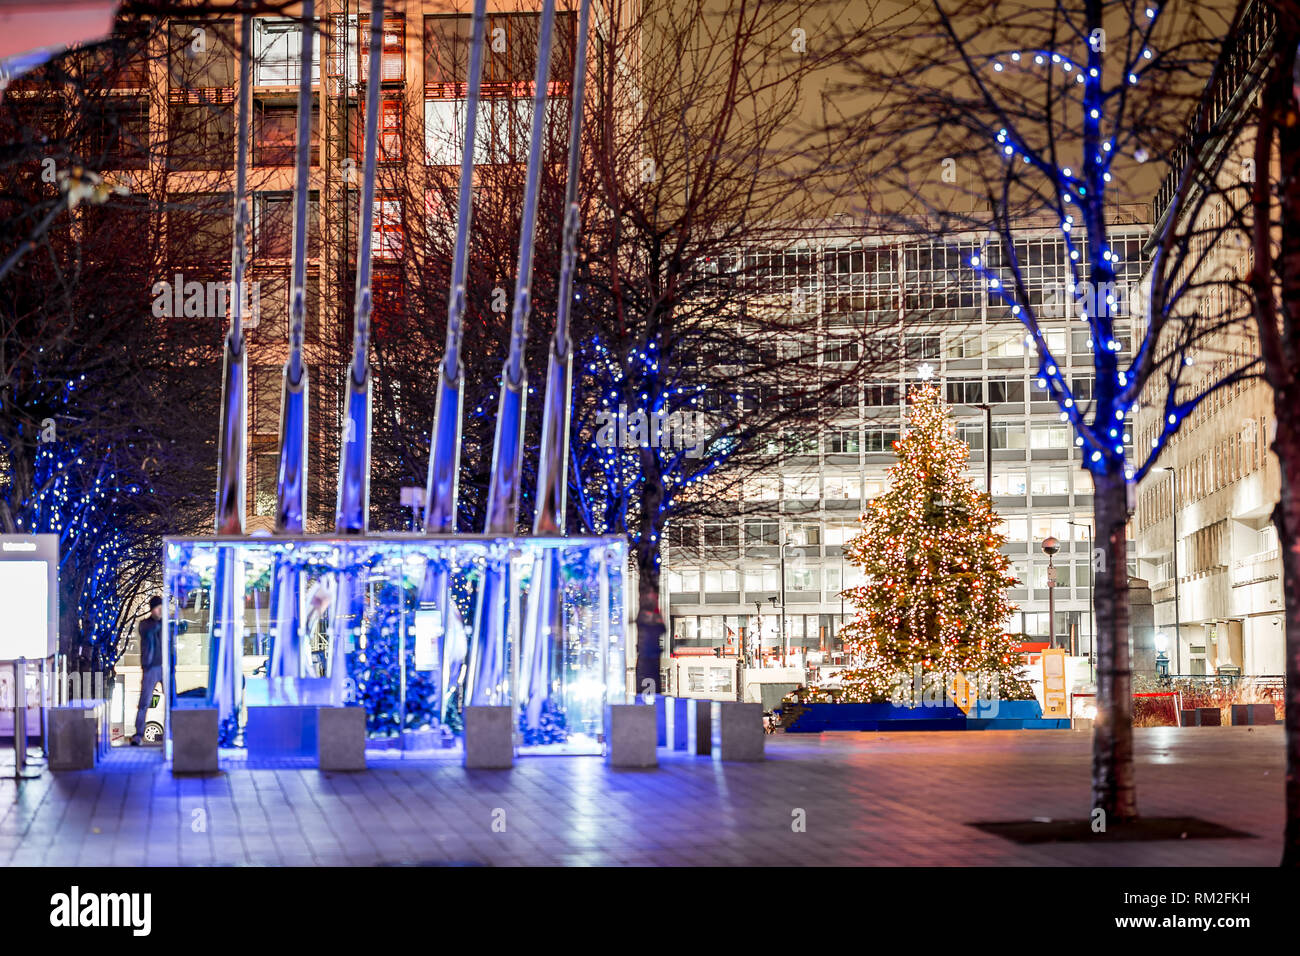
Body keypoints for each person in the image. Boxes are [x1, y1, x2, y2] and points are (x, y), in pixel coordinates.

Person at [130, 596, 164, 746]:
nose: (160, 611)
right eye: (158, 608)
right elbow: (149, 632)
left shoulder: (165, 623)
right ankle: (138, 734)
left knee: (171, 701)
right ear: (152, 609)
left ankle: (172, 731)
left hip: (165, 666)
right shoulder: (145, 624)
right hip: (151, 667)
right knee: (144, 701)